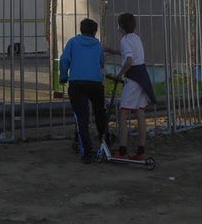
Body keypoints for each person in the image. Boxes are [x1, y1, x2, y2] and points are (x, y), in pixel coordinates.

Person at [59, 17, 106, 164]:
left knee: (81, 117)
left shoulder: (73, 42)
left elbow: (64, 59)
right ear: (95, 32)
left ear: (81, 30)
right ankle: (105, 141)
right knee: (100, 112)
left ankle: (86, 150)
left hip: (77, 83)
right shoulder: (97, 44)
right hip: (95, 83)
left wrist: (63, 75)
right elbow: (101, 62)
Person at [112, 12, 156, 161]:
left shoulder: (124, 40)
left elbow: (129, 60)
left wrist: (119, 74)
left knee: (123, 113)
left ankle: (122, 150)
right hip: (142, 77)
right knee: (139, 112)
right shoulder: (136, 38)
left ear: (121, 26)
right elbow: (132, 54)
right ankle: (141, 150)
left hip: (132, 79)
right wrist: (114, 51)